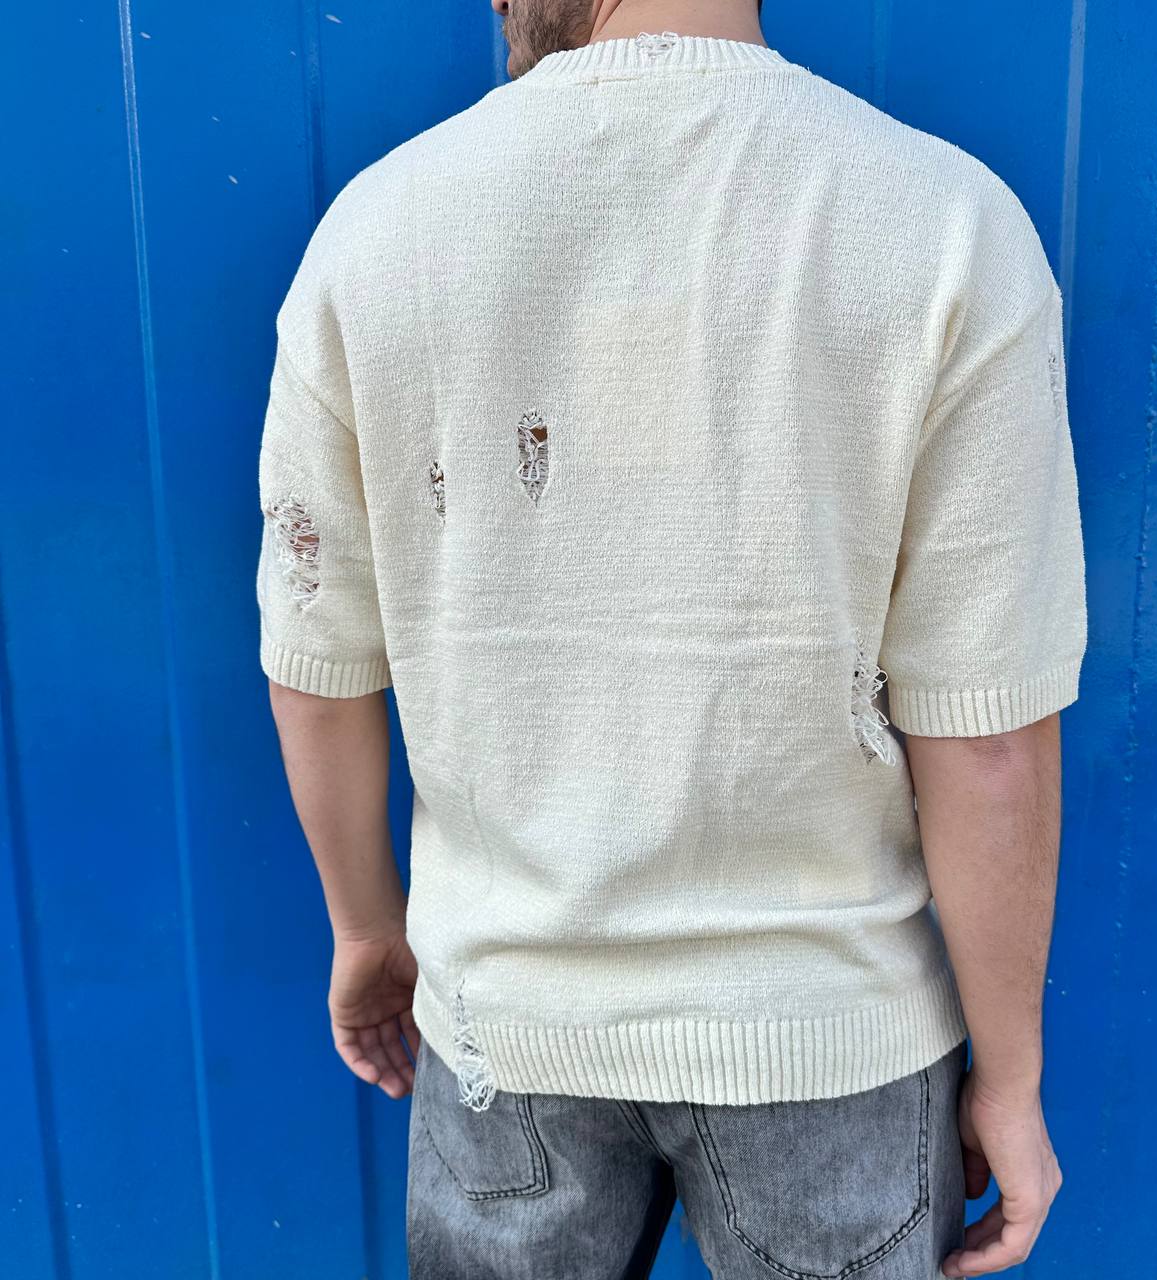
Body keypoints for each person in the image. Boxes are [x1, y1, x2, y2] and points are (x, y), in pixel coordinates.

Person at [255, 0, 1087, 1275]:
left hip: (503, 1028)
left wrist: (368, 930)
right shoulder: (948, 226)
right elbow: (985, 735)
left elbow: (317, 664)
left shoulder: (375, 231)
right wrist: (1010, 1080)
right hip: (829, 1030)